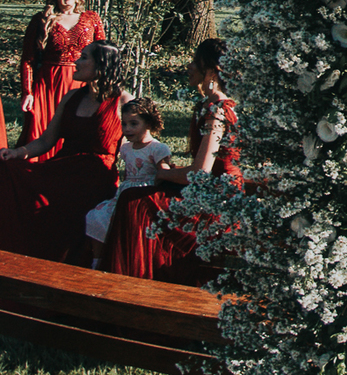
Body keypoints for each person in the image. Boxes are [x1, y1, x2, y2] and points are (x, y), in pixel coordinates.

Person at [107, 38, 240, 281]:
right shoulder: (205, 106)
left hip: (218, 197)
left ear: (210, 71)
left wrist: (163, 173)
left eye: (194, 62)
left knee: (133, 201)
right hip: (204, 188)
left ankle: (131, 283)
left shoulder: (218, 111)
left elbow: (201, 172)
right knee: (136, 196)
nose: (188, 67)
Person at [0, 41, 129, 263]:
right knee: (7, 171)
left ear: (102, 65)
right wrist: (17, 152)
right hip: (61, 170)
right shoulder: (71, 97)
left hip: (95, 179)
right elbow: (46, 141)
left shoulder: (123, 101)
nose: (76, 63)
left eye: (83, 58)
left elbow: (133, 145)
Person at [18, 0, 107, 153]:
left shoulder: (92, 19)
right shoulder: (41, 20)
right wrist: (27, 92)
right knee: (41, 132)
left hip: (81, 84)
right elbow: (28, 60)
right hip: (48, 86)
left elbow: (103, 56)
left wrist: (102, 86)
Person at [85, 97, 172, 264]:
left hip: (144, 195)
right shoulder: (125, 148)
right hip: (125, 192)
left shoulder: (157, 148)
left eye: (134, 124)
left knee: (126, 224)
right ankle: (98, 259)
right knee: (96, 216)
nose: (127, 129)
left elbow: (164, 174)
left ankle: (123, 260)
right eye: (124, 124)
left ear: (148, 123)